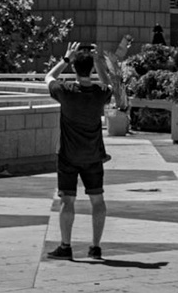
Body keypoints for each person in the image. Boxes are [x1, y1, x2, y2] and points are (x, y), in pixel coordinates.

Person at [45, 41, 117, 261]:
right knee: (98, 200)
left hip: (68, 156)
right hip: (93, 156)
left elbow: (48, 77)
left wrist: (66, 58)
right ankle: (95, 247)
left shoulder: (65, 92)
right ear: (91, 69)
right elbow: (109, 84)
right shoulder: (99, 93)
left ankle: (65, 246)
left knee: (67, 200)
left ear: (74, 68)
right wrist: (98, 62)